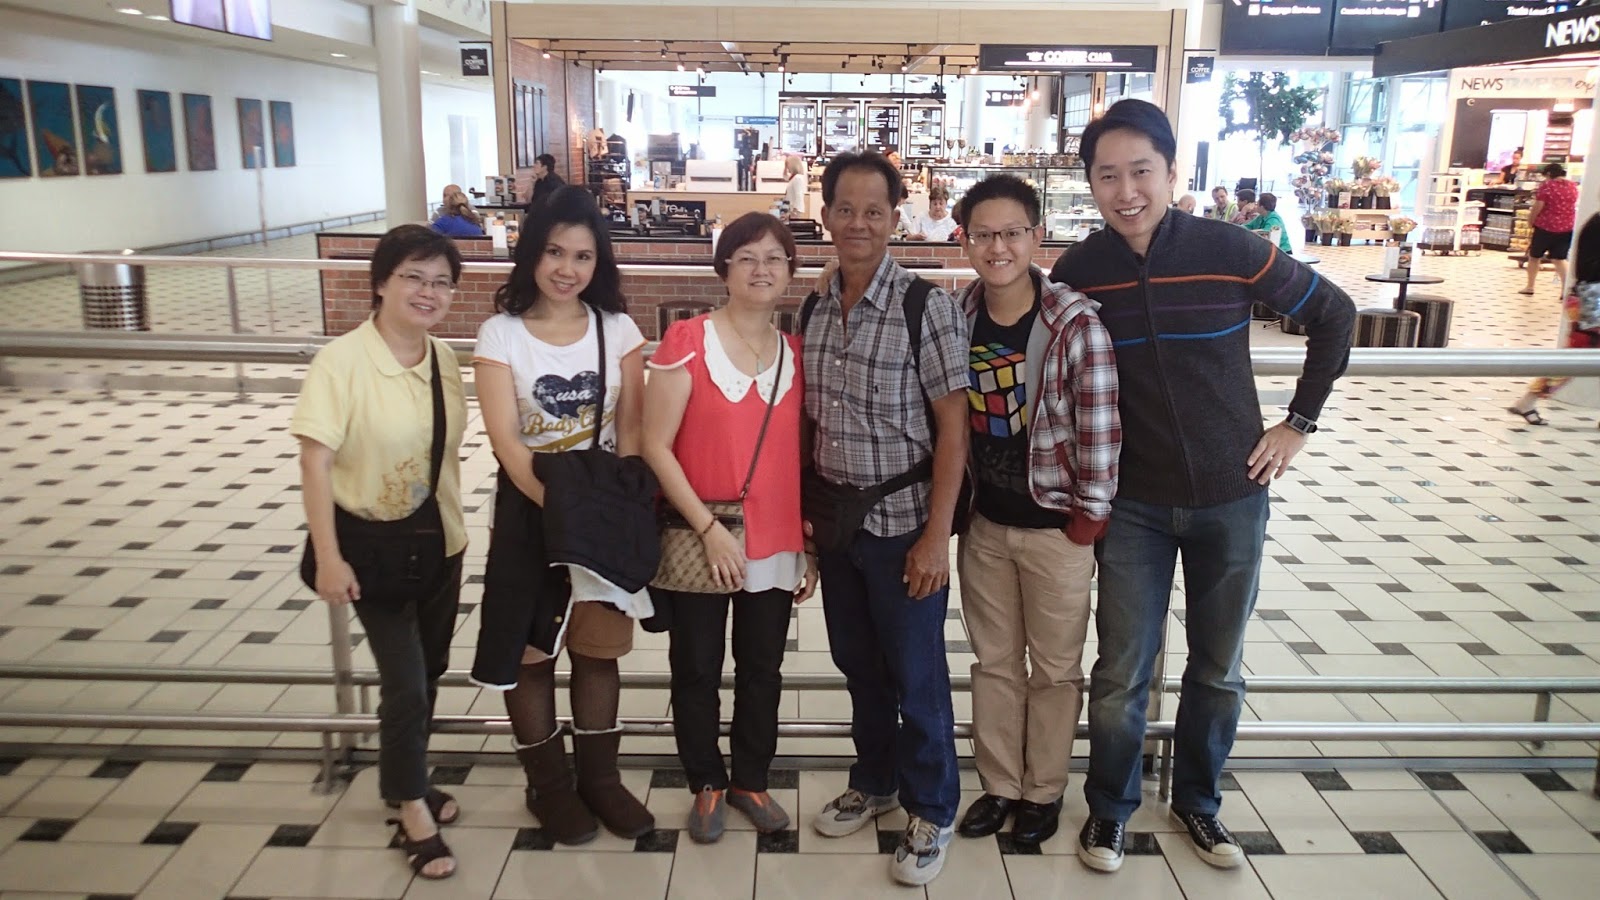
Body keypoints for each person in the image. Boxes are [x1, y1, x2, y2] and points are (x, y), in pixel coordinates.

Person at [1049, 99, 1355, 874]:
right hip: (1133, 504)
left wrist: (1298, 423)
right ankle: (1110, 810)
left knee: (1218, 669)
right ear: (1090, 182)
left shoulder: (1230, 248)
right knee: (1120, 671)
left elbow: (1335, 314)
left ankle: (1199, 802)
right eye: (1108, 176)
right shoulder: (1079, 271)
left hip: (1233, 494)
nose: (1127, 192)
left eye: (1141, 172)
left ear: (1172, 172)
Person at [804, 151, 969, 886]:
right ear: (826, 216)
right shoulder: (815, 306)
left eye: (874, 211)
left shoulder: (923, 307)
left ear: (896, 219)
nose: (859, 223)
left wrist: (937, 536)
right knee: (857, 663)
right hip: (839, 524)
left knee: (916, 672)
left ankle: (932, 806)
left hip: (905, 524)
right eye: (846, 209)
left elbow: (954, 430)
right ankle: (875, 781)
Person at [470, 185, 654, 846]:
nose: (566, 268)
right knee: (530, 654)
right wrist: (565, 513)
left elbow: (631, 434)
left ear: (597, 263)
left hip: (602, 510)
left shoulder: (618, 330)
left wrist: (607, 515)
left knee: (597, 650)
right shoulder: (500, 334)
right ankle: (549, 786)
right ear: (532, 254)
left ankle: (600, 780)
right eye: (554, 252)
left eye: (582, 256)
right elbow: (507, 443)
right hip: (531, 511)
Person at [292, 224, 469, 880]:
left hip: (440, 541)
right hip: (371, 549)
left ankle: (406, 780)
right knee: (406, 682)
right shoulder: (341, 363)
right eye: (413, 278)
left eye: (441, 282)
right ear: (380, 283)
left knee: (430, 671)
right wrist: (328, 556)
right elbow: (315, 462)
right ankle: (411, 810)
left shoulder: (442, 359)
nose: (428, 292)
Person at [949, 174, 1121, 847]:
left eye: (1012, 233)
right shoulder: (957, 315)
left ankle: (1043, 791)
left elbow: (1100, 428)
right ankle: (1000, 785)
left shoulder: (1073, 322)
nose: (998, 247)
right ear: (965, 241)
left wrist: (1087, 521)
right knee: (993, 663)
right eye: (983, 235)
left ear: (1036, 237)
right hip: (986, 525)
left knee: (1054, 669)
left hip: (1055, 529)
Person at [642, 213, 819, 844]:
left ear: (791, 272)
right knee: (695, 665)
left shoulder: (798, 353)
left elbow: (802, 457)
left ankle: (750, 778)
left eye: (775, 258)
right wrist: (708, 527)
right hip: (700, 538)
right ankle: (706, 781)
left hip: (774, 537)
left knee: (762, 668)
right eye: (747, 257)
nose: (761, 269)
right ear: (724, 269)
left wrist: (810, 543)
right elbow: (654, 444)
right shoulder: (686, 341)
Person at [1509, 212, 1600, 427]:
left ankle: (1527, 401)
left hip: (1588, 298)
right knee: (1576, 359)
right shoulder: (1597, 225)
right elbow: (1589, 268)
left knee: (1578, 358)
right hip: (1591, 300)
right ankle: (1527, 401)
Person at [1521, 162, 1579, 297]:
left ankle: (1530, 286)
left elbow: (1538, 206)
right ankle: (1565, 290)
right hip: (1566, 228)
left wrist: (1531, 221)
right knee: (1559, 259)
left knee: (1534, 257)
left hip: (1545, 227)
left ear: (1548, 174)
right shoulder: (1572, 186)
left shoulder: (1547, 186)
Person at [523, 153, 567, 218]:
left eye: (536, 163)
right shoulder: (538, 180)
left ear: (544, 167)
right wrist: (531, 183)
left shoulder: (554, 181)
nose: (534, 166)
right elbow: (528, 199)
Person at [783, 155, 810, 219]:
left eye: (788, 165)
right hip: (792, 209)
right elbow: (785, 177)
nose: (787, 167)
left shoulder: (797, 178)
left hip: (794, 210)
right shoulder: (794, 178)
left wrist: (795, 210)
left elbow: (799, 195)